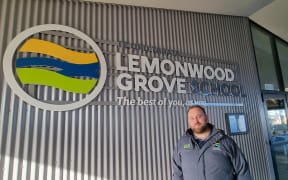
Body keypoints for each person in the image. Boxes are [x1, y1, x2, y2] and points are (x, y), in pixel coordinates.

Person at [172, 105, 252, 180]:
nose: (196, 121)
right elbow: (177, 174)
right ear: (188, 121)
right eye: (192, 118)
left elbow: (242, 170)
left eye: (199, 116)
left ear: (206, 118)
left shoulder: (226, 141)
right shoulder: (182, 144)